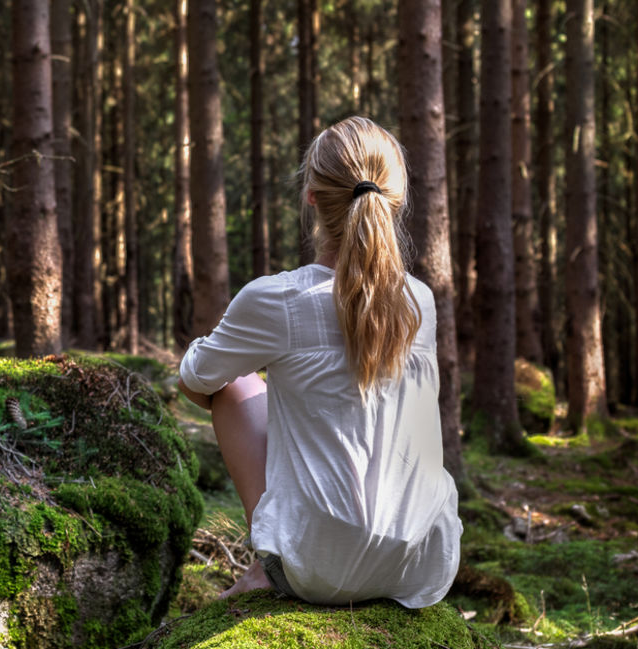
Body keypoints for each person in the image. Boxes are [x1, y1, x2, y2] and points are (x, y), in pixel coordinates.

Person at [177, 116, 461, 608]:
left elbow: (195, 379)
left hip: (318, 571)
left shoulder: (277, 299)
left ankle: (270, 564)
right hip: (422, 564)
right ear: (394, 198)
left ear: (311, 196)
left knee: (235, 384)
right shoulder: (420, 301)